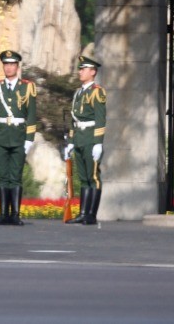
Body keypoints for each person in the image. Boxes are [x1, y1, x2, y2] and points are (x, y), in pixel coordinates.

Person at [0, 50, 37, 226]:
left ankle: (15, 215)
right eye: (6, 64)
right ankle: (3, 214)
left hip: (19, 137)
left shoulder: (27, 87)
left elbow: (31, 115)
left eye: (12, 64)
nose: (8, 67)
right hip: (0, 137)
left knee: (15, 176)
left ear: (17, 66)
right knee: (2, 177)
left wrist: (29, 138)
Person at [64, 52, 106, 225]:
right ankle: (82, 213)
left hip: (90, 138)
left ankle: (91, 215)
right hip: (80, 138)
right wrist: (71, 142)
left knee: (93, 177)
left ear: (93, 72)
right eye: (80, 69)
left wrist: (98, 143)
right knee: (83, 177)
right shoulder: (78, 93)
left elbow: (100, 119)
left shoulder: (97, 92)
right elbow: (75, 120)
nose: (80, 72)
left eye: (84, 69)